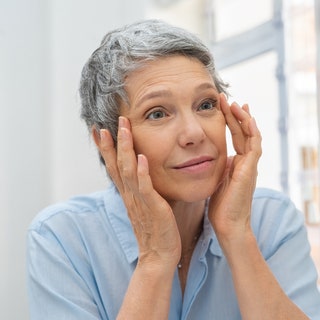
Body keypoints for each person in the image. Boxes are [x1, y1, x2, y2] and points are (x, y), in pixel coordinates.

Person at [27, 19, 320, 319]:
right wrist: (155, 259)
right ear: (108, 142)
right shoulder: (60, 239)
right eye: (157, 113)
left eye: (205, 105)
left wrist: (237, 235)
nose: (194, 133)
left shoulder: (273, 221)